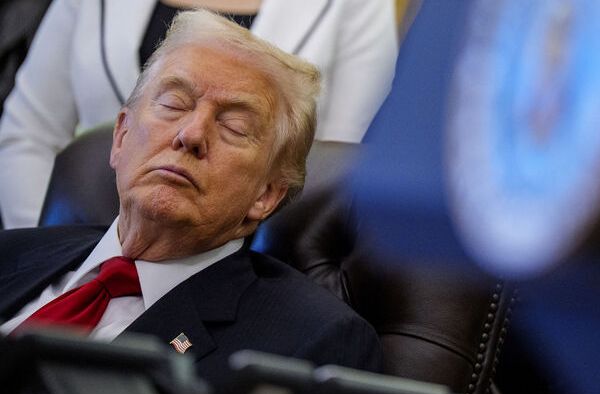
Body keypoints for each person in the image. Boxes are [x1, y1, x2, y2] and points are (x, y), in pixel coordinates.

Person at [0, 9, 382, 394]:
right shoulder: (11, 252)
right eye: (173, 104)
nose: (192, 134)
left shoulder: (313, 341)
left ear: (266, 194)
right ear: (121, 137)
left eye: (234, 127)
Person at [0, 0, 398, 228]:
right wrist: (60, 257)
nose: (189, 134)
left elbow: (338, 171)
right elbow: (27, 133)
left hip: (235, 268)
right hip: (76, 249)